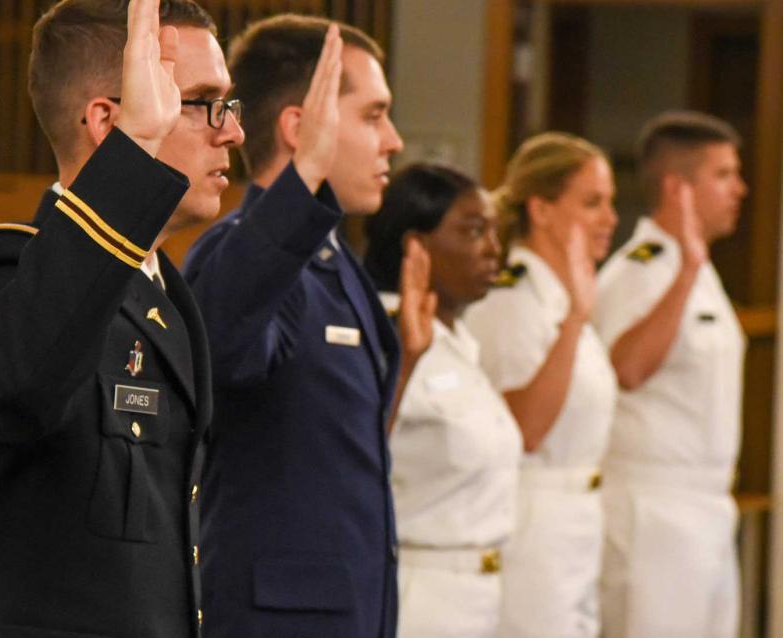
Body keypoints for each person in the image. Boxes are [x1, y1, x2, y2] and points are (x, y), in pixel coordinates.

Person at [0, 1, 244, 636]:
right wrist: (132, 158)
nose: (232, 131)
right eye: (203, 102)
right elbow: (15, 391)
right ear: (109, 122)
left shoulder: (167, 296)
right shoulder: (8, 270)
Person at [182, 15, 432, 638]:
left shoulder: (332, 255)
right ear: (301, 127)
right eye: (373, 116)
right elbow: (224, 346)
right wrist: (300, 183)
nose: (394, 140)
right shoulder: (241, 251)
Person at [593, 111, 747, 638]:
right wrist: (683, 276)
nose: (740, 189)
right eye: (724, 175)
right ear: (676, 187)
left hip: (707, 505)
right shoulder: (640, 270)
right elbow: (627, 368)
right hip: (654, 510)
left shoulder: (698, 268)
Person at [464, 132, 619, 638]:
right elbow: (526, 427)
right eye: (592, 202)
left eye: (611, 203)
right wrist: (575, 320)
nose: (610, 219)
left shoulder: (562, 294)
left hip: (579, 515)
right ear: (542, 209)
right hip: (532, 517)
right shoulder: (514, 298)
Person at [363, 163, 522, 638]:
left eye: (495, 231)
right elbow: (358, 451)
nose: (495, 249)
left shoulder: (458, 343)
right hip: (418, 588)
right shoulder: (385, 338)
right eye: (475, 232)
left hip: (480, 592)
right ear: (417, 245)